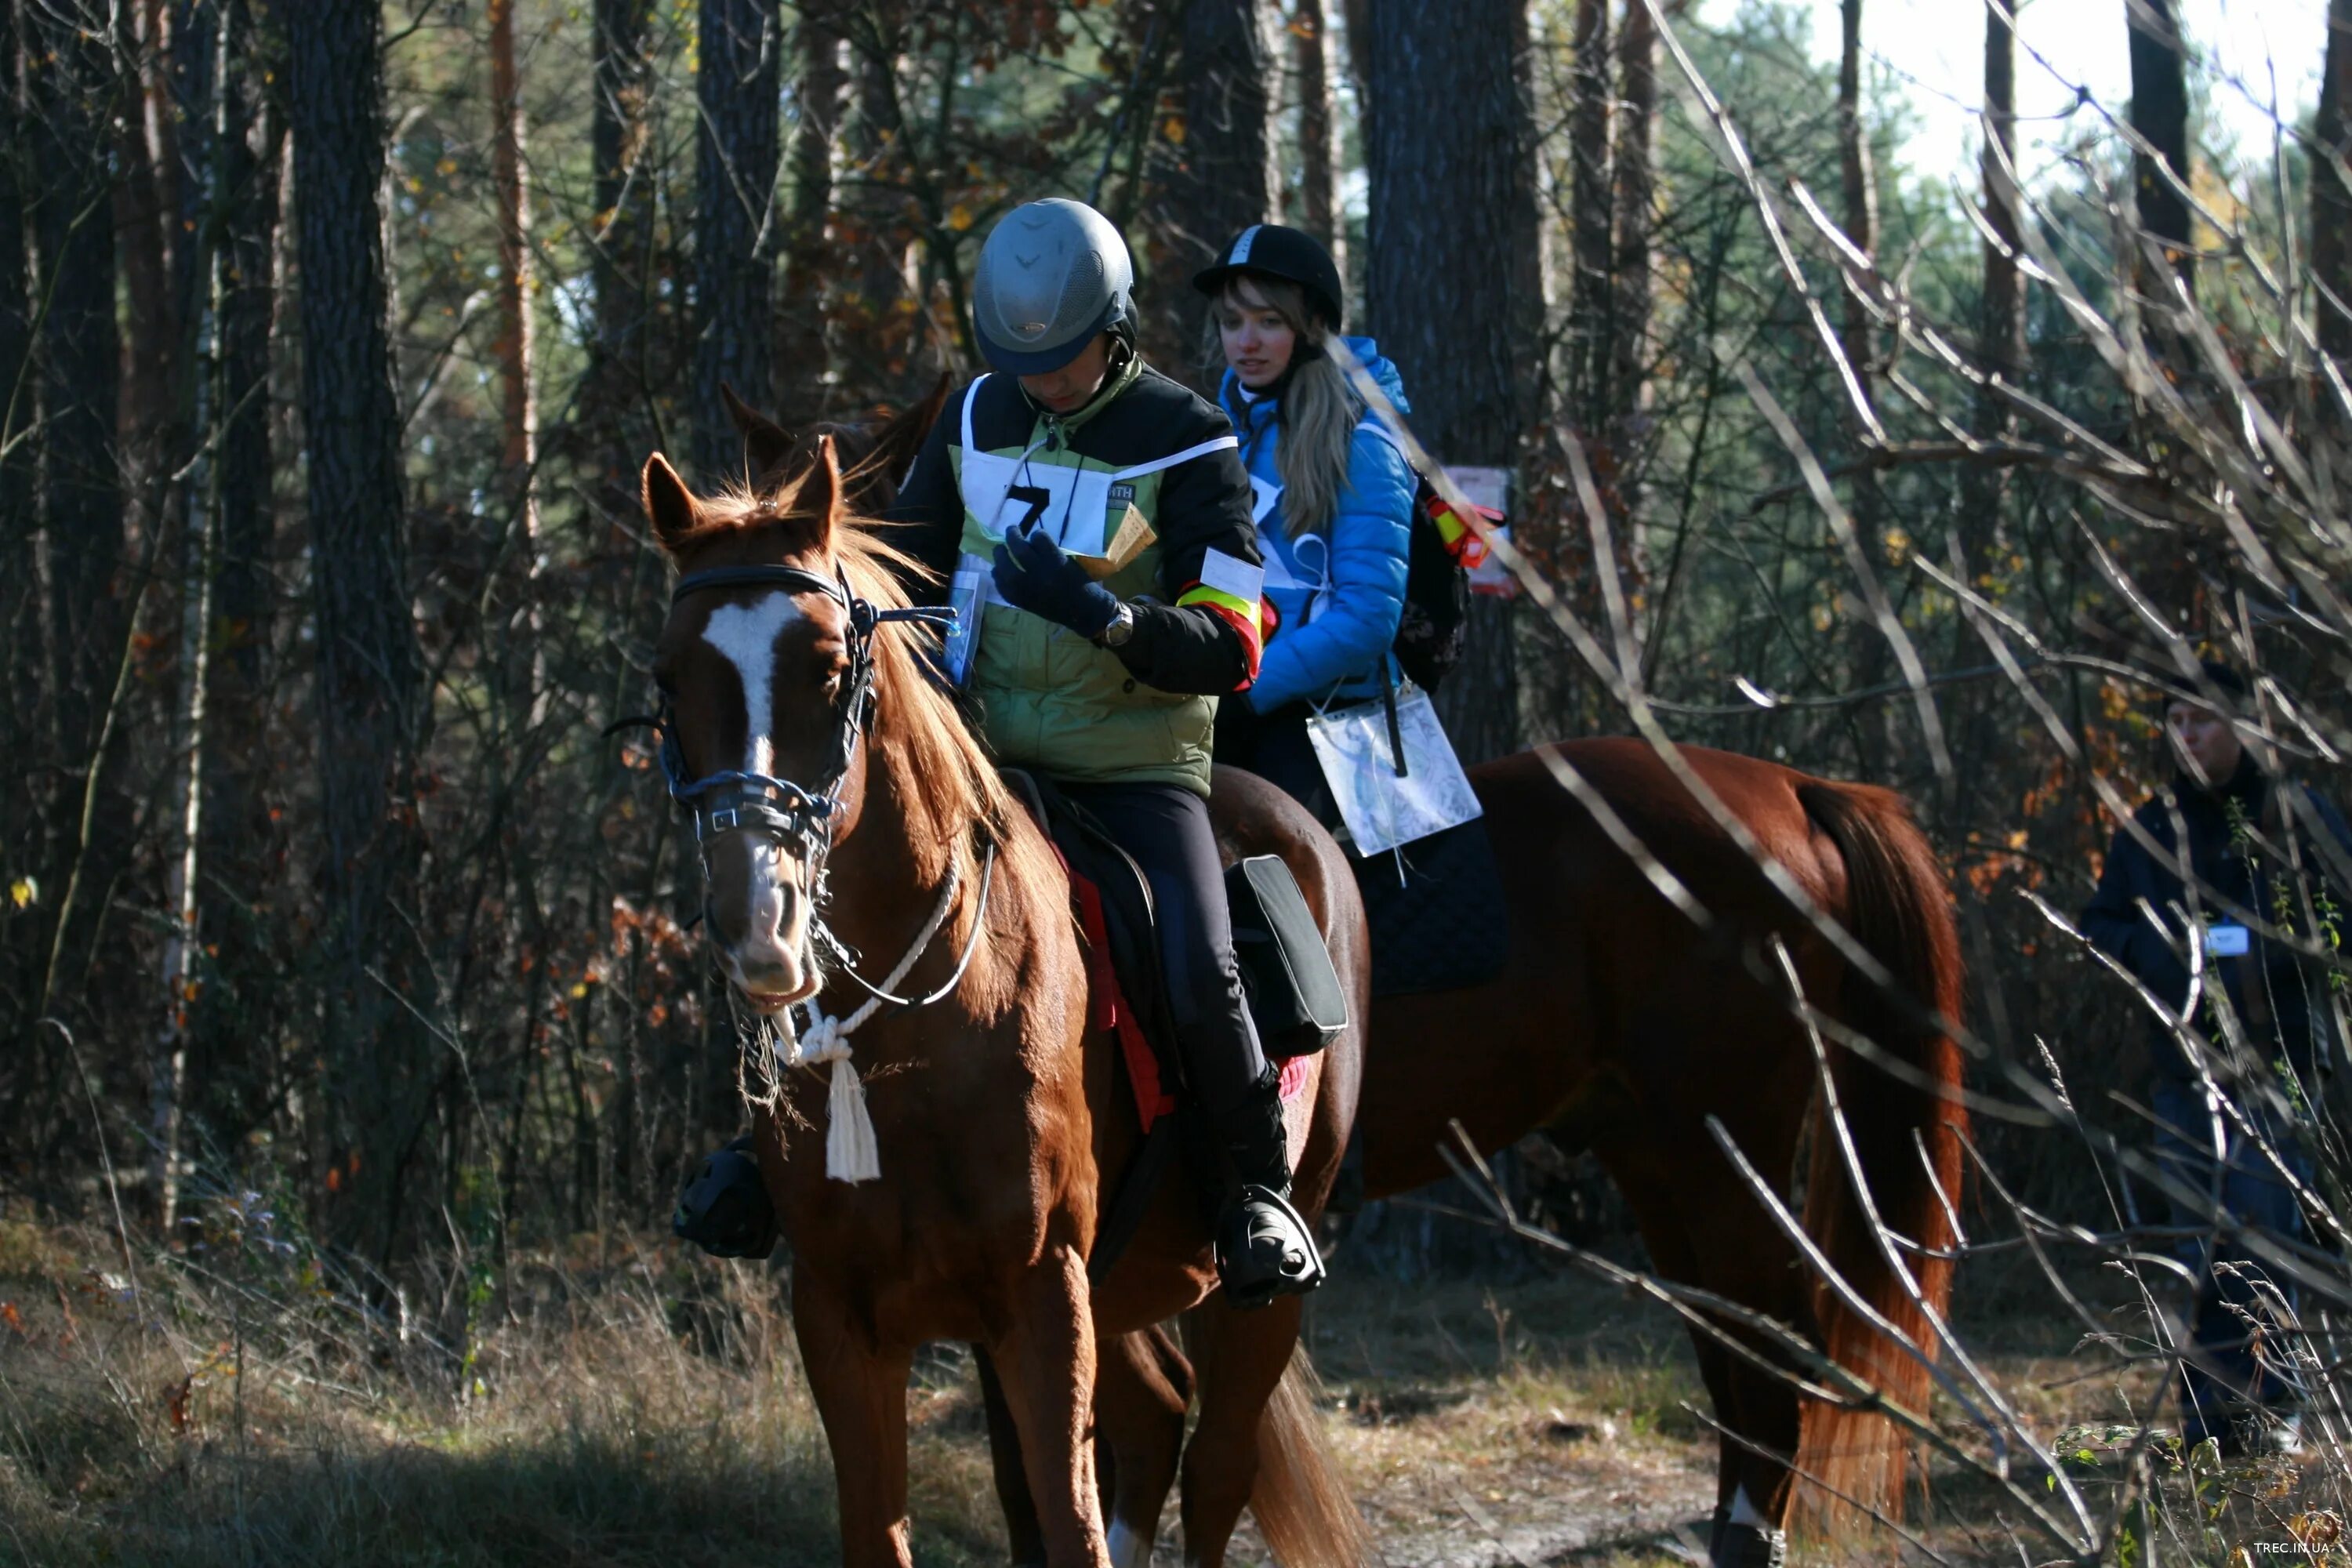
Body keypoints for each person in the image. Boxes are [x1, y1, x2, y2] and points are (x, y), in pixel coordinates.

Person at [682, 198, 1321, 1306]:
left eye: (1066, 359)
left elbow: (1232, 641)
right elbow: (909, 569)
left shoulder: (1190, 438)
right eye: (1025, 360)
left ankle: (1253, 1193)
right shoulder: (978, 412)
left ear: (1114, 328)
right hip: (981, 762)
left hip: (1132, 771)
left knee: (1199, 967)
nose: (1045, 381)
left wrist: (1107, 616)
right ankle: (763, 1149)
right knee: (824, 908)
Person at [2082, 660, 2352, 1456]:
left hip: (2282, 1072)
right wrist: (2174, 953)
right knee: (2200, 1249)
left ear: (2243, 723)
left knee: (2267, 1237)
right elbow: (2101, 931)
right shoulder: (2148, 829)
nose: (2190, 735)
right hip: (2182, 1072)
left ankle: (2277, 1415)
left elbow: (2338, 922)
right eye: (2176, 721)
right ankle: (2209, 1425)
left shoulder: (2296, 815)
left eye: (2203, 718)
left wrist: (2259, 947)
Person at [1189, 223, 1417, 826]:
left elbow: (1368, 617)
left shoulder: (1363, 441)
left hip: (1326, 720)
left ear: (1311, 327)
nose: (1247, 342)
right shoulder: (1217, 431)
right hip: (1222, 697)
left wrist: (1246, 691)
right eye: (1232, 322)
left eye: (1269, 321)